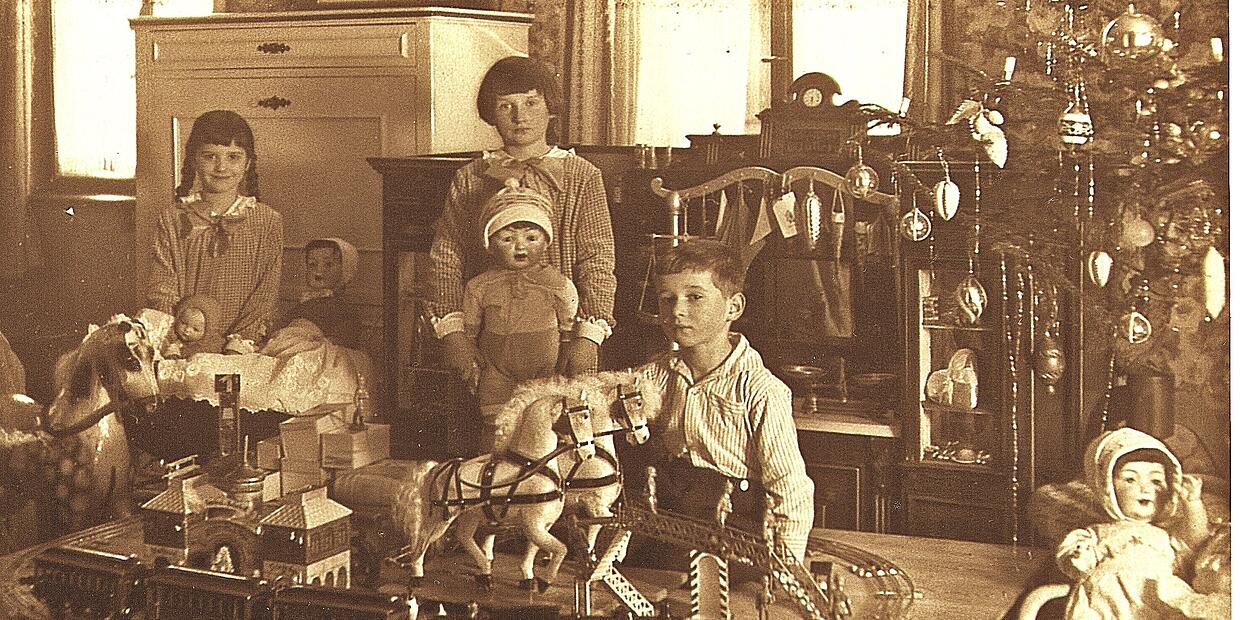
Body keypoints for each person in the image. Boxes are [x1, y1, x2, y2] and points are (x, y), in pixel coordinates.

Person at [427, 56, 615, 388]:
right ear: (491, 112)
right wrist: (454, 334)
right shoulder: (471, 177)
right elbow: (447, 257)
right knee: (492, 415)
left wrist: (588, 336)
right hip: (487, 341)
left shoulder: (582, 175)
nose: (519, 116)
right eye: (506, 106)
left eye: (531, 102)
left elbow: (597, 259)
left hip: (562, 339)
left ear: (550, 106)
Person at [636, 238, 814, 564]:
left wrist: (786, 571)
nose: (677, 310)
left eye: (694, 297)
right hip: (668, 525)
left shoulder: (760, 390)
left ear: (733, 307)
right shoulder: (653, 376)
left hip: (733, 533)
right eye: (667, 299)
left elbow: (791, 489)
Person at [145, 109, 284, 342]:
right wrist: (176, 338)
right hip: (183, 339)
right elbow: (163, 287)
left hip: (241, 345)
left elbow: (265, 293)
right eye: (210, 156)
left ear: (248, 163)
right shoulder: (173, 218)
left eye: (233, 157)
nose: (221, 167)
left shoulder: (268, 221)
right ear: (194, 160)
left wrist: (240, 342)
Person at [463, 179, 578, 451]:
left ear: (546, 242)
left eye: (531, 238)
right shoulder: (480, 286)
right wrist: (469, 349)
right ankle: (490, 465)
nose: (520, 247)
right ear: (490, 245)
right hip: (497, 369)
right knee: (495, 424)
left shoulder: (557, 284)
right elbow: (470, 327)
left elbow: (568, 321)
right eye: (507, 239)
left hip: (543, 370)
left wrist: (566, 347)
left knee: (541, 423)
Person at [1056, 427, 1218, 619]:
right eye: (1130, 479)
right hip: (1108, 596)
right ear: (1108, 488)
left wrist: (1192, 503)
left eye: (1156, 480)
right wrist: (1080, 557)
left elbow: (1197, 540)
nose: (1145, 488)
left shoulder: (1167, 534)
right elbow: (1072, 559)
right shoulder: (1098, 532)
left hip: (1157, 591)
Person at [273, 237, 363, 351]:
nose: (319, 271)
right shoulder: (306, 302)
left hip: (318, 347)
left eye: (328, 264)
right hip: (291, 340)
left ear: (346, 270)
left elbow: (348, 333)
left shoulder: (343, 305)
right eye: (312, 264)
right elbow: (286, 321)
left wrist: (327, 342)